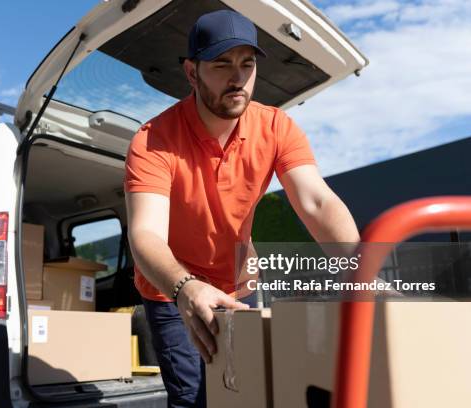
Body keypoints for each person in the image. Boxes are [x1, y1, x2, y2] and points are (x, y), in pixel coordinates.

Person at [123, 9, 360, 407]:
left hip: (237, 284)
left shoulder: (276, 127)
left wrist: (361, 271)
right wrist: (185, 288)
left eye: (247, 64)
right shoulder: (152, 140)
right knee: (195, 397)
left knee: (243, 391)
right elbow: (145, 233)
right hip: (172, 291)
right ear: (192, 72)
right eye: (222, 65)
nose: (238, 78)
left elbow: (316, 200)